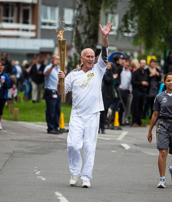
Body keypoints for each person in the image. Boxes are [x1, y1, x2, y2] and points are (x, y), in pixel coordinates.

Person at [57, 22, 113, 188]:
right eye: (87, 56)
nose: (90, 58)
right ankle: (75, 171)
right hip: (77, 115)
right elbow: (61, 92)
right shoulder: (73, 75)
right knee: (73, 145)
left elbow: (104, 53)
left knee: (89, 147)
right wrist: (60, 79)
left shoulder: (98, 69)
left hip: (93, 115)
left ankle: (86, 176)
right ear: (81, 58)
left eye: (92, 56)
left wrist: (105, 37)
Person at [148, 72, 172, 188]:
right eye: (168, 80)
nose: (171, 82)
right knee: (163, 152)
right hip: (163, 124)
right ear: (165, 82)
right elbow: (155, 114)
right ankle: (162, 179)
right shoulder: (159, 97)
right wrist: (150, 130)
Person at [43, 55, 61, 134]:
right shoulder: (48, 67)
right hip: (51, 92)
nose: (58, 61)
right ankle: (50, 127)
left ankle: (56, 126)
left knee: (57, 110)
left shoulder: (59, 68)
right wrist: (53, 66)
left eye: (59, 59)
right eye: (56, 59)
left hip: (58, 92)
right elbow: (46, 74)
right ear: (52, 60)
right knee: (51, 110)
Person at [99, 61, 117, 134]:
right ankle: (100, 127)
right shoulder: (104, 72)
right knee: (101, 112)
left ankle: (102, 127)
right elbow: (108, 80)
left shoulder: (109, 72)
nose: (108, 65)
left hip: (108, 95)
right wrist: (113, 77)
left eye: (110, 64)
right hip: (103, 94)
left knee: (105, 111)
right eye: (107, 64)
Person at [131, 59, 149, 127]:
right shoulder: (136, 72)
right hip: (136, 92)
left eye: (144, 63)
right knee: (135, 107)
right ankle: (134, 121)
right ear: (139, 64)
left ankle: (139, 121)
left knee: (141, 107)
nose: (143, 65)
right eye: (142, 63)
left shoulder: (145, 73)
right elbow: (133, 82)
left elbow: (147, 81)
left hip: (143, 92)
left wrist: (147, 84)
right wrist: (141, 83)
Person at [117, 58, 132, 125]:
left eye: (128, 65)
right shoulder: (121, 71)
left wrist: (130, 90)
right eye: (126, 64)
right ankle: (117, 120)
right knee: (119, 105)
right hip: (120, 90)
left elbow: (130, 82)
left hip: (126, 91)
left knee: (124, 107)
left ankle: (122, 121)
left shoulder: (129, 73)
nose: (127, 65)